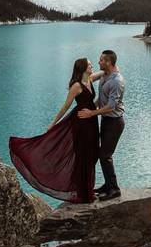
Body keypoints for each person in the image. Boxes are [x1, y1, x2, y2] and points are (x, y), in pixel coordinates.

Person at [8, 57, 100, 203]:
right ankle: (84, 193)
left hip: (92, 122)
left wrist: (113, 70)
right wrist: (53, 123)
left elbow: (102, 73)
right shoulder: (76, 86)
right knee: (84, 156)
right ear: (82, 68)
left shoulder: (89, 79)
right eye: (89, 65)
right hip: (81, 124)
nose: (92, 66)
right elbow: (65, 106)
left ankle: (87, 189)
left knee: (93, 153)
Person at [78, 49, 125, 200]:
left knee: (105, 155)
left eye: (101, 60)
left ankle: (115, 189)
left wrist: (91, 113)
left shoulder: (117, 81)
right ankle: (108, 185)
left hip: (115, 122)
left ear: (109, 63)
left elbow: (111, 106)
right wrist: (75, 83)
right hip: (106, 120)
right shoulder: (105, 74)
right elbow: (88, 79)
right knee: (101, 154)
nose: (98, 62)